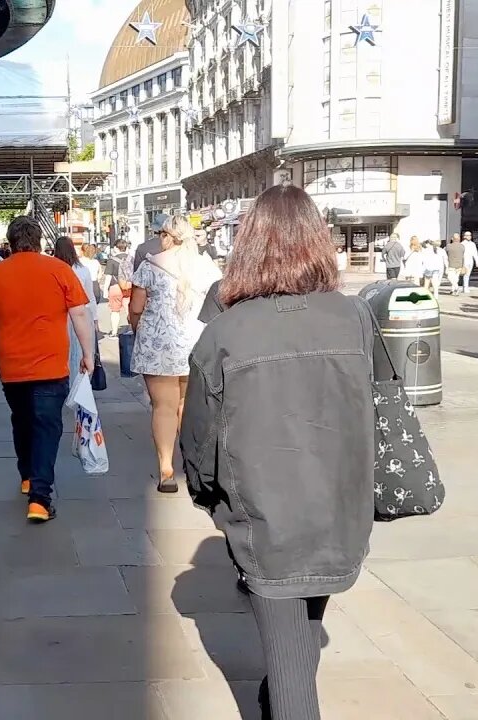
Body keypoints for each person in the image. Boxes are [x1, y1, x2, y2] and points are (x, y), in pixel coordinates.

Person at [179, 184, 375, 720]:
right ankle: (274, 696)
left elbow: (197, 439)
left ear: (249, 246)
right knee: (304, 625)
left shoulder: (225, 332)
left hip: (266, 512)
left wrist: (208, 497)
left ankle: (282, 699)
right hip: (340, 506)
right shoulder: (355, 317)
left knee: (290, 654)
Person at [0, 216, 94, 522]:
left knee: (23, 420)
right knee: (47, 427)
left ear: (11, 243)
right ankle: (40, 498)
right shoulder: (60, 270)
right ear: (39, 240)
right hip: (52, 366)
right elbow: (80, 315)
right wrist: (89, 354)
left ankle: (27, 475)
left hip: (12, 367)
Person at [128, 215, 222, 493]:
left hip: (159, 346)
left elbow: (135, 307)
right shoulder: (208, 267)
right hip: (198, 344)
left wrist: (138, 332)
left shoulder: (150, 265)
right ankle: (193, 468)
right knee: (190, 407)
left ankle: (166, 470)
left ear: (167, 236)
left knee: (164, 408)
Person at [53, 236, 99, 381]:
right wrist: (95, 319)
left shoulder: (54, 269)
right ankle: (79, 384)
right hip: (81, 314)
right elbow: (90, 297)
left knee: (62, 352)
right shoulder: (83, 270)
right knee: (80, 353)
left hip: (59, 316)